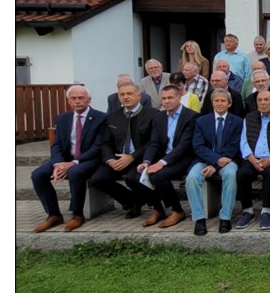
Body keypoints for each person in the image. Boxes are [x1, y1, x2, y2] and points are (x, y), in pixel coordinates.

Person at [31, 85, 107, 233]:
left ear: (89, 100)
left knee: (75, 172)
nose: (77, 101)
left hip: (89, 160)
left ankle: (77, 215)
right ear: (69, 101)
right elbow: (57, 144)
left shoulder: (101, 118)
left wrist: (73, 163)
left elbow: (98, 147)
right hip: (65, 160)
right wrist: (58, 164)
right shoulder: (63, 118)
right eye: (74, 98)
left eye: (81, 98)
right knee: (38, 175)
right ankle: (54, 214)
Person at [133, 85, 199, 229]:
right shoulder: (159, 117)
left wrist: (161, 163)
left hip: (184, 158)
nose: (167, 101)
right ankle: (157, 209)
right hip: (164, 157)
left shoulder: (191, 117)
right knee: (139, 176)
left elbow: (184, 146)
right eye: (164, 98)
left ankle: (177, 210)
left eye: (170, 98)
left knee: (158, 176)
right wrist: (146, 161)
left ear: (179, 98)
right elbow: (154, 143)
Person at [89, 82, 157, 219]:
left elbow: (153, 142)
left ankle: (137, 204)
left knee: (132, 179)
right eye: (122, 94)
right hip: (118, 158)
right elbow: (106, 143)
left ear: (139, 95)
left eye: (129, 93)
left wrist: (132, 157)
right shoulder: (112, 116)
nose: (126, 97)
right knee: (97, 179)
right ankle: (131, 200)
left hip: (141, 158)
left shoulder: (153, 114)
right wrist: (110, 160)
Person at [185, 89, 243, 235]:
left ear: (229, 103)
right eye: (216, 101)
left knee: (230, 175)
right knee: (192, 178)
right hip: (204, 160)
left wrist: (215, 164)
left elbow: (234, 146)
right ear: (212, 103)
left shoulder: (238, 122)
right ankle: (199, 218)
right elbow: (198, 146)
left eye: (223, 100)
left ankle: (225, 218)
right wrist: (215, 160)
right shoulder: (201, 121)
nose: (219, 103)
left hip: (228, 159)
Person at [235, 90, 270, 230]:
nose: (263, 103)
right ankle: (247, 211)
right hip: (253, 158)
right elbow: (243, 141)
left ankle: (266, 211)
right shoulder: (249, 117)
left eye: (266, 100)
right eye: (260, 100)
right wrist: (252, 159)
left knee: (269, 173)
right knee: (242, 174)